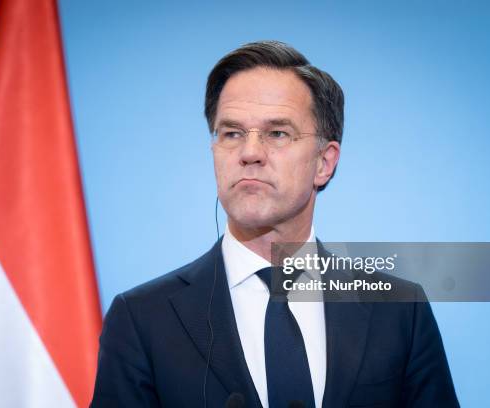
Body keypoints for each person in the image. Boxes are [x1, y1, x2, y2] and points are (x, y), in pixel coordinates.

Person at [90, 41, 459, 407]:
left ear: (324, 163)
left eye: (277, 133)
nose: (249, 153)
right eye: (231, 133)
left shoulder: (398, 312)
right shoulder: (141, 319)